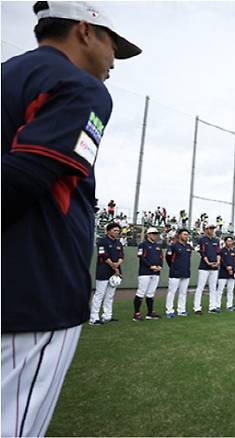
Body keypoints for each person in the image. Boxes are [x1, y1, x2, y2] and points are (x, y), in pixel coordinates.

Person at [1, 2, 140, 428]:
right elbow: (23, 178)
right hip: (34, 292)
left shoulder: (8, 74)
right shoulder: (81, 86)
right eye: (112, 44)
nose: (114, 58)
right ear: (84, 31)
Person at [90, 222, 124, 324]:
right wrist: (114, 266)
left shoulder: (119, 243)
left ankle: (107, 316)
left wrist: (117, 264)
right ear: (108, 231)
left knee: (110, 295)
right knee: (99, 294)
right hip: (103, 270)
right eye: (115, 230)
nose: (117, 232)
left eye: (118, 231)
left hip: (115, 272)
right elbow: (103, 256)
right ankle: (94, 318)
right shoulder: (102, 241)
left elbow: (122, 256)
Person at [133, 227, 163, 320]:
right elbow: (141, 257)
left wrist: (160, 266)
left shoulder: (158, 246)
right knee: (141, 292)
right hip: (145, 272)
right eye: (153, 234)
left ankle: (150, 313)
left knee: (151, 293)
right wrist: (150, 266)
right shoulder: (143, 245)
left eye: (156, 234)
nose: (155, 235)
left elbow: (161, 257)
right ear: (148, 234)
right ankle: (136, 313)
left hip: (156, 272)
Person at [192, 224, 219, 315]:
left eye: (213, 229)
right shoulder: (202, 240)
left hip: (214, 267)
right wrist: (208, 263)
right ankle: (197, 308)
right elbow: (202, 253)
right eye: (210, 229)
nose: (212, 230)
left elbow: (218, 253)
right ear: (206, 229)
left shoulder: (216, 240)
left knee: (213, 288)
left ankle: (212, 307)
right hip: (204, 267)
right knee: (200, 287)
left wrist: (218, 262)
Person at [165, 228, 192, 318]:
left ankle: (181, 310)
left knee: (183, 293)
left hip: (186, 272)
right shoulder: (173, 246)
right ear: (179, 235)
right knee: (172, 292)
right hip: (175, 273)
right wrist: (173, 267)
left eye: (187, 235)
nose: (186, 236)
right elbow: (168, 258)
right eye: (184, 234)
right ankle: (169, 310)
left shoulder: (188, 246)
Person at [217, 236, 235, 312]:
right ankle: (217, 306)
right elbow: (221, 261)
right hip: (223, 273)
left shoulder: (234, 252)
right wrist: (227, 267)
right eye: (228, 241)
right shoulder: (222, 251)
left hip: (231, 274)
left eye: (231, 241)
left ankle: (229, 305)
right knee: (220, 290)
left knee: (230, 290)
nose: (230, 242)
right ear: (225, 242)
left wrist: (231, 268)